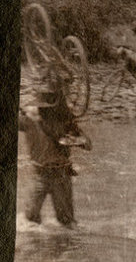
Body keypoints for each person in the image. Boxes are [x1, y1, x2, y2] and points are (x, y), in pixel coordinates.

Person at [17, 69, 91, 228]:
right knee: (29, 222)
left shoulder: (65, 121)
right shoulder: (28, 119)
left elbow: (88, 144)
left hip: (61, 175)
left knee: (66, 224)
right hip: (41, 175)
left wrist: (77, 140)